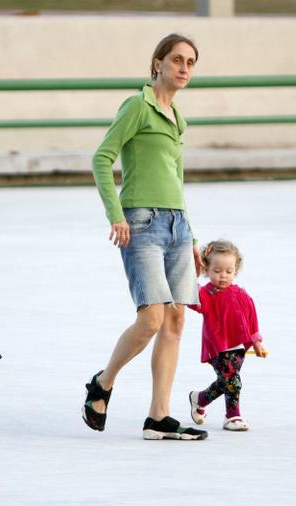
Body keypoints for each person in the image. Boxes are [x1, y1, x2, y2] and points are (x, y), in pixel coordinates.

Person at [82, 33, 208, 441]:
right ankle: (103, 382)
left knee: (175, 320)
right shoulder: (138, 105)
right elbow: (102, 157)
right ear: (157, 63)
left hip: (177, 226)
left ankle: (159, 416)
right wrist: (115, 215)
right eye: (176, 60)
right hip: (141, 223)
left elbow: (177, 179)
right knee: (151, 318)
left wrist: (191, 235)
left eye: (190, 62)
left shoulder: (176, 117)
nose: (184, 68)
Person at [187, 240, 266, 432]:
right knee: (233, 381)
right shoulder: (207, 294)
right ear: (207, 269)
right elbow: (193, 299)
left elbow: (251, 319)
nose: (223, 276)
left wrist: (256, 342)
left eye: (228, 271)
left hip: (238, 348)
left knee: (227, 381)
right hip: (217, 347)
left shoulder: (241, 294)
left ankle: (200, 398)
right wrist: (187, 272)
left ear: (235, 270)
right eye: (217, 271)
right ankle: (232, 416)